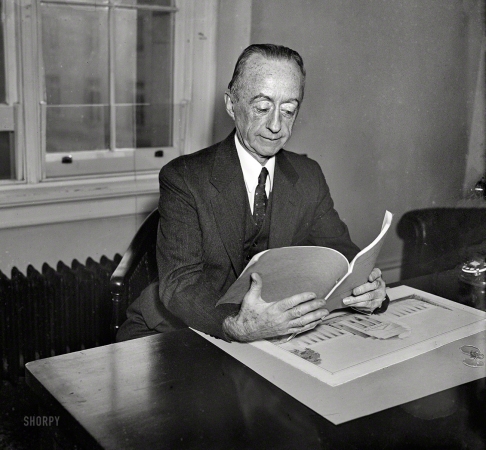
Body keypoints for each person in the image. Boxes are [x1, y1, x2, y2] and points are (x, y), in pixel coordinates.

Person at [117, 44, 388, 343]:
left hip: (272, 333)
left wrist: (368, 287)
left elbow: (342, 254)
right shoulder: (184, 178)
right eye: (262, 107)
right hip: (179, 331)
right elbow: (180, 286)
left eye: (288, 110)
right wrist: (238, 327)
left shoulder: (308, 176)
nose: (275, 126)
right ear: (232, 105)